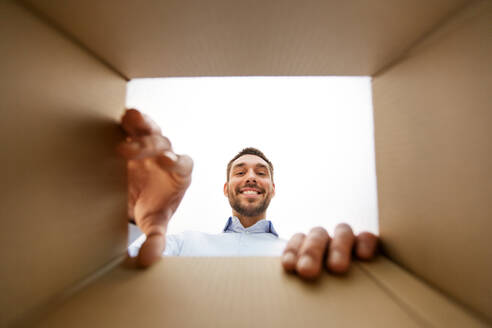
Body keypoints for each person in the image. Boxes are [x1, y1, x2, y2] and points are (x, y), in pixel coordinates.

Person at [117, 109, 378, 279]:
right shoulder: (181, 244)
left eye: (261, 172)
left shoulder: (299, 253)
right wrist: (130, 218)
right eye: (240, 172)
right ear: (225, 189)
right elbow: (110, 277)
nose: (251, 176)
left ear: (272, 189)